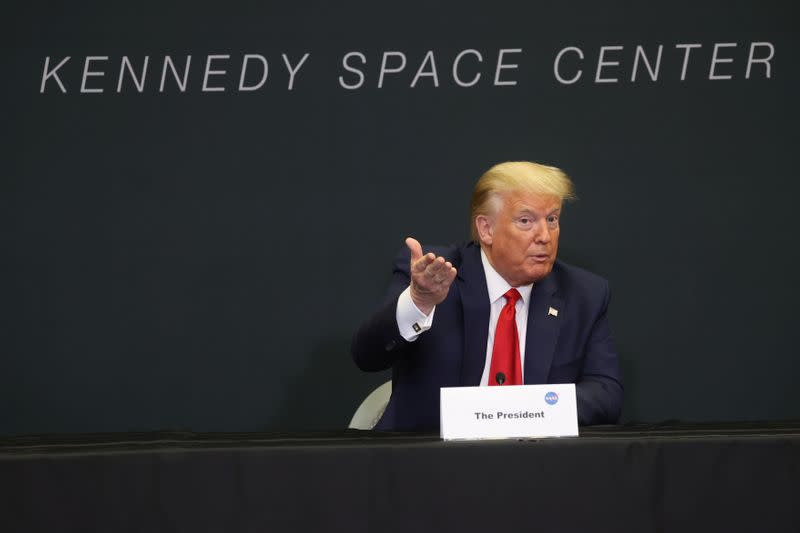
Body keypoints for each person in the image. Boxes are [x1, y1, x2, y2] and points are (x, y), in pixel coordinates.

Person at [352, 161, 623, 431]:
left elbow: (606, 394)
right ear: (486, 229)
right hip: (432, 461)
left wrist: (527, 411)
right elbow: (367, 356)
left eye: (552, 219)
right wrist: (419, 302)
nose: (545, 236)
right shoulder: (434, 275)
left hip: (536, 462)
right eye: (526, 220)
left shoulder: (584, 293)